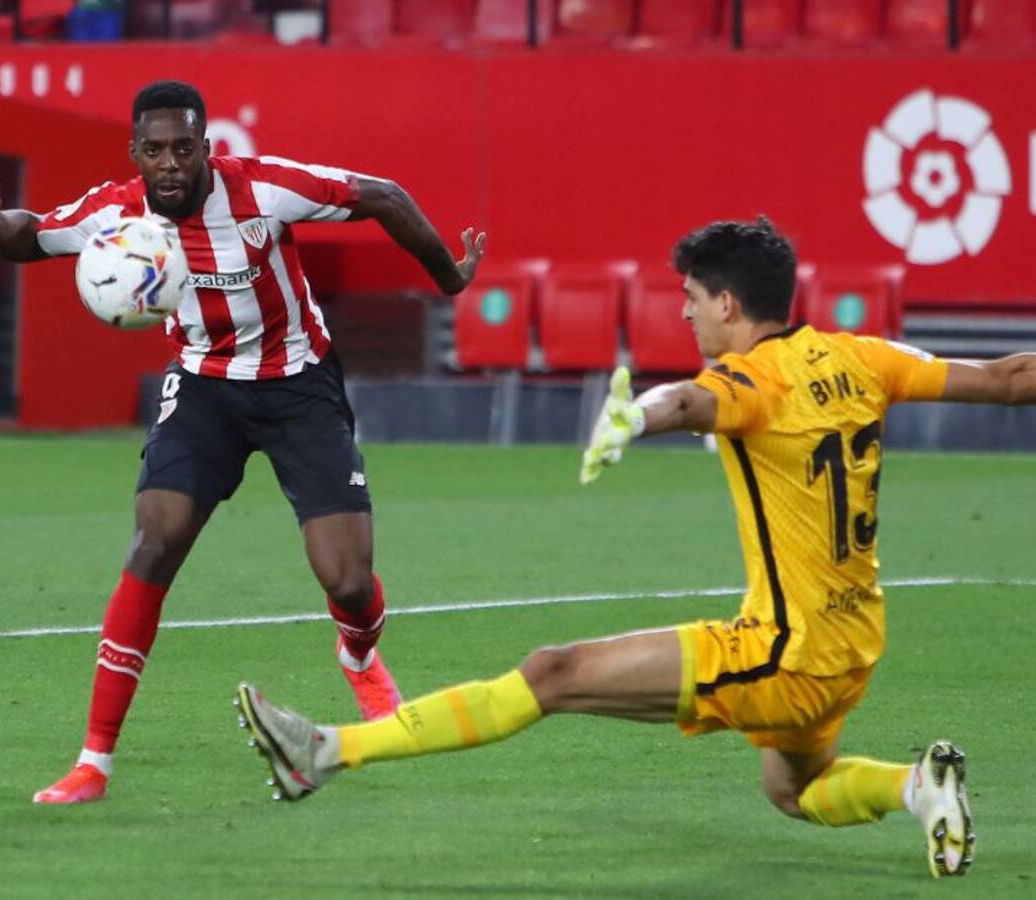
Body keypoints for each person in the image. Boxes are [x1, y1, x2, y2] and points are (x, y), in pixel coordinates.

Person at [237, 216, 1036, 879]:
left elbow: (689, 399)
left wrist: (635, 419)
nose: (686, 315)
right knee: (794, 790)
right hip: (854, 644)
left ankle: (327, 751)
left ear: (728, 303)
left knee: (553, 673)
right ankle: (918, 789)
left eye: (691, 300)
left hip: (786, 656)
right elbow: (1005, 380)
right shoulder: (862, 356)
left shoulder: (753, 379)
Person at [0, 80, 486, 805]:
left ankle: (358, 655)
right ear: (136, 153)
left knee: (349, 580)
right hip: (204, 389)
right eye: (155, 150)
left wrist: (447, 277)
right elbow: (34, 234)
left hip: (299, 385)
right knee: (154, 539)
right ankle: (93, 762)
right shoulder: (117, 210)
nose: (169, 163)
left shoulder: (265, 191)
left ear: (207, 147)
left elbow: (384, 196)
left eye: (183, 148)